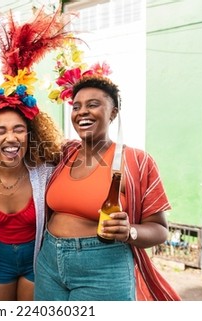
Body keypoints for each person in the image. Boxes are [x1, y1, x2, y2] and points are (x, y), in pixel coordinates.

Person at [34, 62, 181, 300]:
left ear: (113, 112)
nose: (82, 112)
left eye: (93, 105)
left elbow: (160, 230)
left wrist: (129, 231)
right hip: (49, 264)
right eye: (76, 106)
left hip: (103, 269)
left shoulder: (136, 161)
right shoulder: (64, 154)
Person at [0, 7, 74, 300]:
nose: (10, 138)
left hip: (38, 259)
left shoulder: (47, 171)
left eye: (18, 129)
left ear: (30, 134)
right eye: (0, 131)